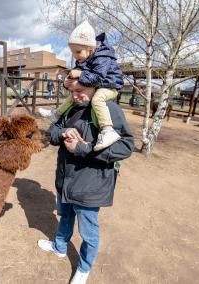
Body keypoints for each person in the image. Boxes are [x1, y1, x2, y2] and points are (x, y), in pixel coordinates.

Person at [37, 80, 134, 284]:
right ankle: (60, 247)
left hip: (90, 185)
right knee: (64, 216)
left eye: (79, 90)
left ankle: (84, 267)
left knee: (88, 232)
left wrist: (82, 149)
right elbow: (52, 132)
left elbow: (126, 147)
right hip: (65, 179)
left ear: (95, 88)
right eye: (71, 91)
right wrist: (63, 132)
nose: (74, 95)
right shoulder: (70, 107)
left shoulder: (108, 110)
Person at [38, 20, 124, 151]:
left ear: (90, 48)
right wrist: (68, 82)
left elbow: (97, 77)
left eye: (78, 52)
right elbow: (79, 77)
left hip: (110, 86)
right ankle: (56, 114)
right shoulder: (85, 58)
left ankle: (107, 130)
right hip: (98, 84)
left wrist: (80, 73)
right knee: (71, 98)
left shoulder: (102, 57)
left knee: (97, 99)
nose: (75, 56)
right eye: (73, 53)